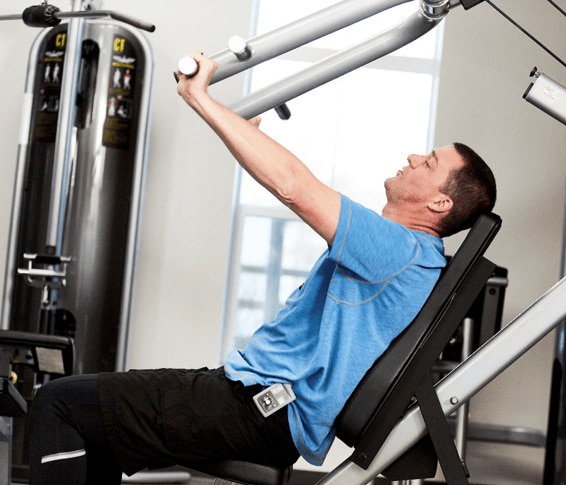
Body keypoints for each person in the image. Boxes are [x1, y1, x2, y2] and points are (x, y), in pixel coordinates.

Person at [27, 52, 497, 484]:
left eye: (429, 161)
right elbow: (290, 180)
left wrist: (199, 97)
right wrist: (247, 132)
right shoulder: (412, 254)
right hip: (253, 398)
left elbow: (294, 186)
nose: (414, 156)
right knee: (100, 425)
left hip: (260, 410)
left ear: (440, 201)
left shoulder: (399, 247)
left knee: (58, 402)